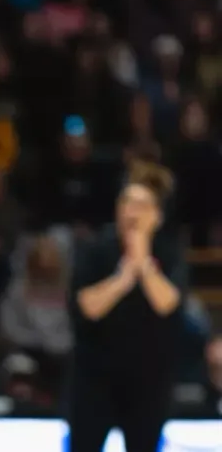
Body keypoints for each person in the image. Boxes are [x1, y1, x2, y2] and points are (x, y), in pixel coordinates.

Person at [68, 161, 187, 452]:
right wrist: (122, 279)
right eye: (126, 202)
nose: (132, 211)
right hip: (94, 375)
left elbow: (167, 303)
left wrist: (142, 264)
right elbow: (87, 306)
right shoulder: (95, 247)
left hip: (149, 378)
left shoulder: (170, 251)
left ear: (157, 216)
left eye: (142, 205)